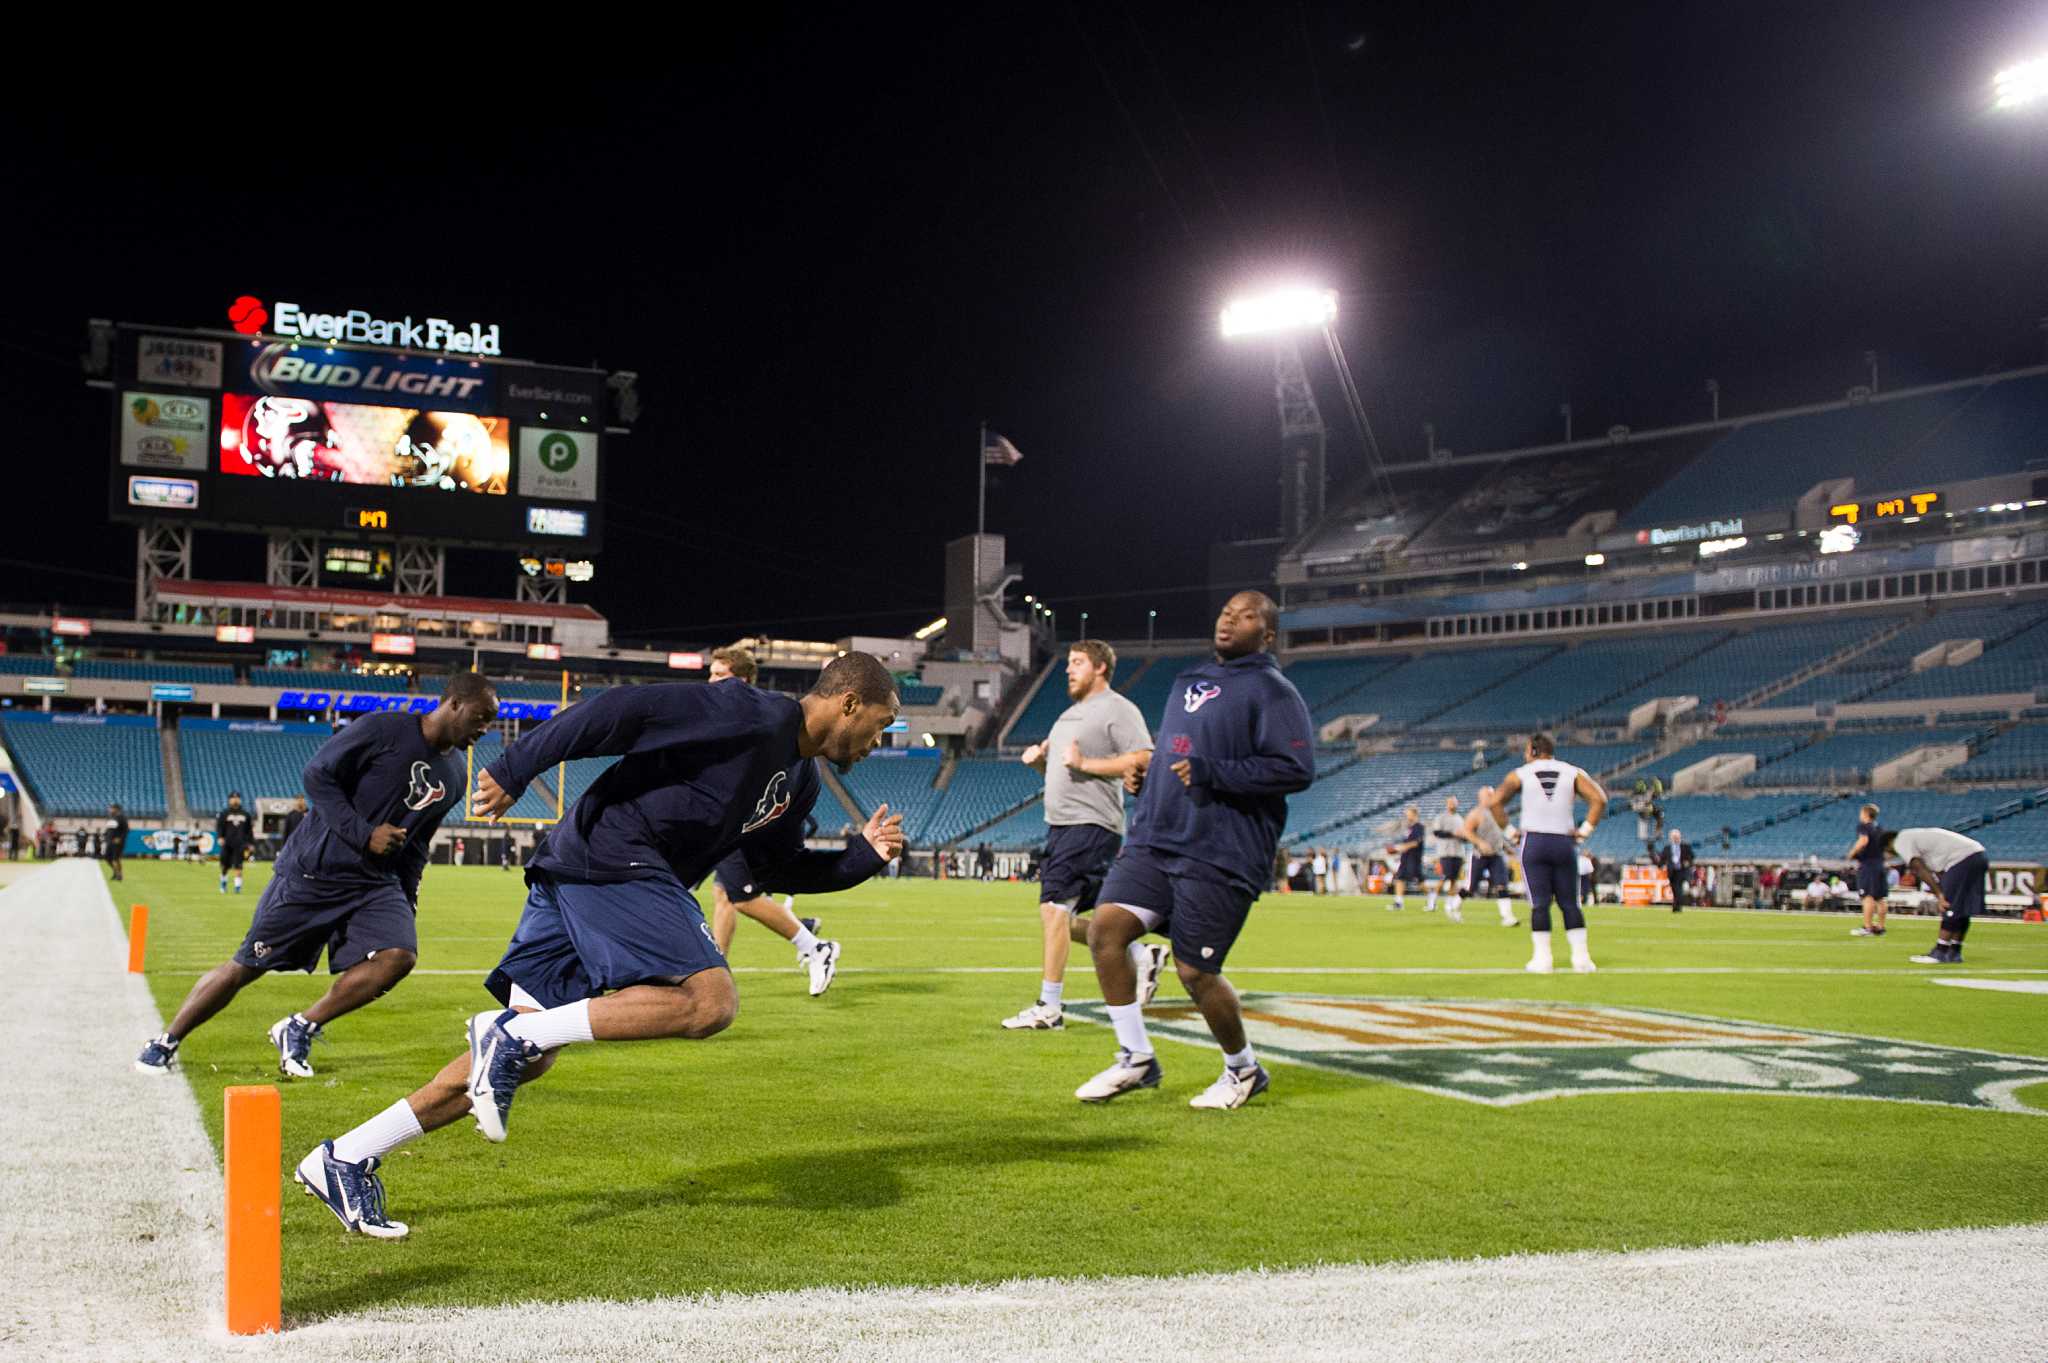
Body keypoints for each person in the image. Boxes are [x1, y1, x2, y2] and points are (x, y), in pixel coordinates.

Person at [296, 653, 903, 1239]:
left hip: (586, 871)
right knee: (710, 1001)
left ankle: (345, 1158)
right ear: (848, 703)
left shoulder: (801, 782)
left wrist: (862, 858)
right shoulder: (750, 713)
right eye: (880, 726)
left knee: (530, 1056)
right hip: (614, 855)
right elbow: (621, 710)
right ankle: (508, 1035)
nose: (878, 743)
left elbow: (778, 867)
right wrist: (516, 767)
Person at [134, 674, 499, 1080]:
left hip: (375, 884)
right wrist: (365, 834)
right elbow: (317, 776)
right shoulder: (385, 728)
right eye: (481, 716)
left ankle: (300, 1026)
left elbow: (416, 844)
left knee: (398, 956)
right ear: (452, 704)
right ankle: (166, 1040)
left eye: (490, 721)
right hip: (315, 871)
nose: (485, 728)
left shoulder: (455, 775)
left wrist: (408, 899)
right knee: (247, 965)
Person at [1072, 591, 1314, 1111]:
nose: (1230, 619)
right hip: (1156, 838)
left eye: (1246, 616)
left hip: (1220, 849)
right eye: (1227, 611)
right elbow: (1179, 754)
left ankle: (1244, 1070)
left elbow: (1296, 769)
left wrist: (1215, 774)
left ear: (1267, 635)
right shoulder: (1188, 680)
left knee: (1195, 972)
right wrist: (1147, 774)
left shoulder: (1273, 691)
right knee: (1105, 931)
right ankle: (1135, 1057)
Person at [1004, 640, 1160, 1031]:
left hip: (1089, 824)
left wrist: (1085, 762)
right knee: (1067, 918)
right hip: (1062, 826)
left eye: (1077, 663)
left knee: (1054, 910)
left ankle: (1049, 1007)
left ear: (1100, 668)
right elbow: (1062, 773)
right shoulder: (1067, 717)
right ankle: (1141, 954)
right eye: (1068, 663)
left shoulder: (1118, 709)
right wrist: (1041, 764)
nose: (1069, 670)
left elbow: (1145, 756)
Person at [701, 646, 838, 993]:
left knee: (743, 897)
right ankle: (718, 972)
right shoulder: (729, 712)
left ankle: (815, 946)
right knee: (724, 896)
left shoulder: (761, 713)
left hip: (749, 817)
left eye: (721, 674)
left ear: (744, 679)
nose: (711, 679)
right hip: (735, 815)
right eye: (712, 672)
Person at [1482, 733, 1607, 974]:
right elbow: (1599, 799)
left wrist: (1510, 832)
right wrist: (1584, 831)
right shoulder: (1572, 772)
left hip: (1534, 841)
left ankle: (1543, 959)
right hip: (1564, 842)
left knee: (1539, 904)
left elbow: (1495, 802)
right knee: (1571, 903)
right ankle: (1581, 959)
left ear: (1533, 750)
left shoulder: (1521, 773)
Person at [1460, 787, 1520, 926]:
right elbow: (1467, 831)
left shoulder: (1498, 813)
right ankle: (1454, 905)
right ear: (1481, 797)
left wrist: (1507, 848)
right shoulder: (1476, 813)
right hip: (1479, 855)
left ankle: (1507, 917)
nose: (1491, 797)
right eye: (1488, 795)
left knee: (1502, 884)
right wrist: (1480, 842)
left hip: (1496, 855)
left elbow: (1498, 834)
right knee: (1470, 887)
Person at [1846, 803, 1888, 937]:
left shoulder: (1863, 826)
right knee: (1880, 898)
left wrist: (1851, 852)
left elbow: (1863, 840)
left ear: (1865, 814)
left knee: (1867, 896)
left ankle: (1867, 927)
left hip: (1868, 865)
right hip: (1880, 864)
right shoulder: (1880, 828)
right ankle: (1881, 927)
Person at [1425, 795, 1465, 921]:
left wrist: (1462, 836)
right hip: (1445, 852)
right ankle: (1433, 899)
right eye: (1450, 803)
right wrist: (1453, 834)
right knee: (1445, 877)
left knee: (1454, 879)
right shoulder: (1441, 817)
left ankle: (1449, 903)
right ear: (1447, 804)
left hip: (1458, 852)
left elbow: (1464, 835)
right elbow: (1437, 832)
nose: (1452, 805)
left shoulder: (1460, 819)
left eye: (1454, 803)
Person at [1386, 806, 1424, 911]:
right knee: (1400, 878)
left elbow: (1415, 843)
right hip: (1405, 857)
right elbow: (1406, 842)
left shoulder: (1418, 827)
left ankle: (1431, 898)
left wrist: (1399, 848)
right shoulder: (1409, 828)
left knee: (1420, 881)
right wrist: (1398, 848)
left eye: (1408, 813)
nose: (1407, 815)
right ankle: (1399, 903)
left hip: (1414, 857)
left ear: (1414, 814)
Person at [216, 791, 255, 894]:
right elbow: (220, 827)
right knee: (225, 865)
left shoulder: (246, 814)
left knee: (238, 865)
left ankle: (237, 887)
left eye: (237, 798)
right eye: (233, 798)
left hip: (240, 843)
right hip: (227, 843)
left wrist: (251, 843)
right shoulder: (224, 813)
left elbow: (249, 830)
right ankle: (223, 883)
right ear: (229, 800)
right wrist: (220, 837)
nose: (235, 800)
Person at [1652, 828, 1693, 913]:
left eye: (1677, 836)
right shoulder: (1667, 848)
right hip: (1672, 872)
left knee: (1679, 889)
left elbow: (1691, 857)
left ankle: (1677, 906)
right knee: (1674, 889)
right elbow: (1662, 860)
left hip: (1681, 871)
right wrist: (1656, 861)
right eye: (1673, 836)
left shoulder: (1685, 847)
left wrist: (1687, 862)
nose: (1675, 838)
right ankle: (1677, 906)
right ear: (1670, 837)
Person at [104, 802, 129, 882]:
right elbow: (109, 829)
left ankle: (119, 874)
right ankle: (115, 871)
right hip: (109, 841)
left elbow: (126, 830)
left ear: (116, 809)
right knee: (107, 858)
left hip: (118, 842)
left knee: (116, 858)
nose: (110, 810)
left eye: (111, 808)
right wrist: (105, 836)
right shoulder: (111, 817)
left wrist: (120, 838)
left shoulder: (122, 818)